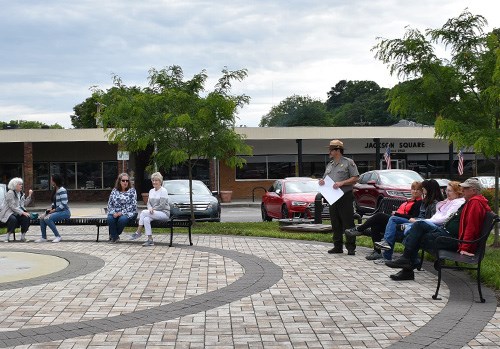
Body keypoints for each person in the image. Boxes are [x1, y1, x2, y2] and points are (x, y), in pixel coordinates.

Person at [385, 178, 488, 281]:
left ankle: (408, 265)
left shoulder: (475, 203)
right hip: (445, 233)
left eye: (465, 188)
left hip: (453, 239)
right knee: (418, 227)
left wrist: (465, 248)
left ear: (473, 190)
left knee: (416, 235)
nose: (463, 190)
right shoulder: (470, 201)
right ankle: (407, 262)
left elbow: (471, 227)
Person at [344, 181, 423, 261]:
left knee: (379, 215)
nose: (415, 191)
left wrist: (397, 214)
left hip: (402, 224)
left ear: (421, 191)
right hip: (395, 221)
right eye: (413, 189)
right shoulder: (409, 201)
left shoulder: (419, 203)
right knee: (376, 224)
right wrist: (396, 213)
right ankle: (377, 252)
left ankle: (359, 229)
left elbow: (412, 218)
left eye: (418, 190)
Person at [373, 179, 444, 261]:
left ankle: (388, 253)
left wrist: (414, 220)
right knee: (386, 222)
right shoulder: (425, 201)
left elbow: (434, 220)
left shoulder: (435, 203)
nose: (421, 190)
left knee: (390, 221)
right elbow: (421, 215)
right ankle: (387, 253)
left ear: (429, 190)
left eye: (422, 189)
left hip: (425, 225)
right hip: (417, 222)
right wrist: (414, 219)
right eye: (414, 189)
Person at [319, 139, 359, 255]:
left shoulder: (348, 162)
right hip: (332, 197)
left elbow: (356, 178)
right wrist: (322, 181)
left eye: (331, 149)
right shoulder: (330, 164)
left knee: (348, 222)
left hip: (345, 196)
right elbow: (325, 179)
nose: (329, 151)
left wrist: (342, 183)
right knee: (335, 222)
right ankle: (337, 246)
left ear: (337, 150)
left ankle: (351, 247)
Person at [129, 172, 170, 247]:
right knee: (146, 219)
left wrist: (153, 209)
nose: (154, 182)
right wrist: (150, 208)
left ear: (160, 181)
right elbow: (148, 203)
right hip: (154, 212)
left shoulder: (163, 191)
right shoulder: (151, 191)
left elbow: (162, 205)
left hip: (163, 213)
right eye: (153, 180)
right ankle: (150, 240)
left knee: (144, 212)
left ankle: (138, 232)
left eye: (156, 180)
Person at [36, 174, 70, 243]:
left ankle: (58, 236)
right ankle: (44, 237)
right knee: (42, 217)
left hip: (65, 212)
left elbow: (64, 204)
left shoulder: (62, 190)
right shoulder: (55, 190)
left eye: (51, 180)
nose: (51, 181)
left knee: (47, 218)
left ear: (55, 181)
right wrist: (50, 209)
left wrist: (54, 210)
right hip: (57, 212)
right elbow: (54, 203)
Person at [107, 173, 137, 243]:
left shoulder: (132, 191)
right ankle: (115, 237)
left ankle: (114, 236)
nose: (125, 182)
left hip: (128, 212)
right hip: (115, 212)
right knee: (110, 218)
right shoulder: (114, 191)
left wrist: (121, 213)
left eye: (127, 181)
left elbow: (133, 205)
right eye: (123, 180)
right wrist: (113, 212)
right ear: (119, 181)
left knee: (122, 220)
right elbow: (110, 204)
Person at [0, 177, 33, 242]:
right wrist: (22, 212)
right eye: (19, 184)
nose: (21, 186)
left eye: (21, 184)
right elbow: (12, 206)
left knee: (26, 217)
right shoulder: (10, 193)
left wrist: (29, 195)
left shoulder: (21, 193)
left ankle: (23, 236)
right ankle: (7, 236)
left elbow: (24, 204)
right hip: (8, 212)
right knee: (13, 219)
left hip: (17, 213)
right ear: (14, 185)